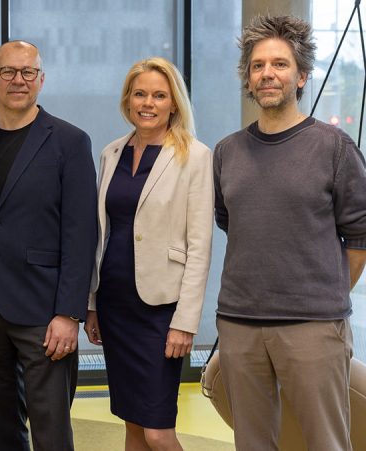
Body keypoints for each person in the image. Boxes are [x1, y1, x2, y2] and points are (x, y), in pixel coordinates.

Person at [215, 15, 366, 451]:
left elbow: (359, 236)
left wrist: (325, 291)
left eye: (280, 64)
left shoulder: (334, 147)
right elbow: (232, 221)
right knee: (252, 443)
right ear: (248, 76)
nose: (267, 73)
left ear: (301, 76)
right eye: (258, 65)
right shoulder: (227, 152)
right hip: (240, 325)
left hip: (314, 326)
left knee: (326, 442)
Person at [0, 40, 97, 451]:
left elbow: (80, 232)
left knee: (51, 430)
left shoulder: (70, 142)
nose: (18, 80)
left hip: (44, 312)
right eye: (8, 72)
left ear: (41, 79)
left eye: (27, 72)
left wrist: (69, 313)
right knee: (1, 430)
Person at [84, 57, 213, 450]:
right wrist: (91, 304)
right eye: (140, 94)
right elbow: (99, 235)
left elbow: (200, 246)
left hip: (162, 311)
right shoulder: (111, 153)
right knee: (132, 422)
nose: (148, 103)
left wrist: (186, 322)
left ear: (174, 103)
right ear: (128, 100)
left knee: (158, 430)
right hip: (114, 304)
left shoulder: (195, 156)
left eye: (160, 95)